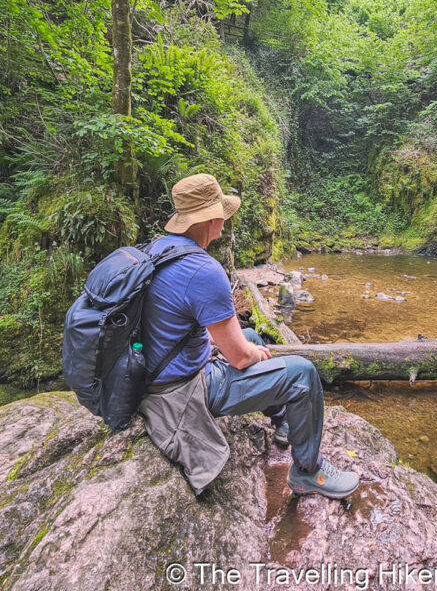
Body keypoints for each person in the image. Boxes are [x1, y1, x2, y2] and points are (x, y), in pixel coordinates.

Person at [137, 173, 359, 500]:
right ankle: (308, 471)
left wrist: (241, 345)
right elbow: (240, 358)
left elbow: (170, 320)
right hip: (181, 390)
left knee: (251, 333)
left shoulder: (159, 249)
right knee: (303, 375)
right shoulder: (204, 270)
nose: (225, 219)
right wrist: (255, 355)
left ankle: (284, 422)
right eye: (222, 213)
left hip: (154, 370)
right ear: (211, 219)